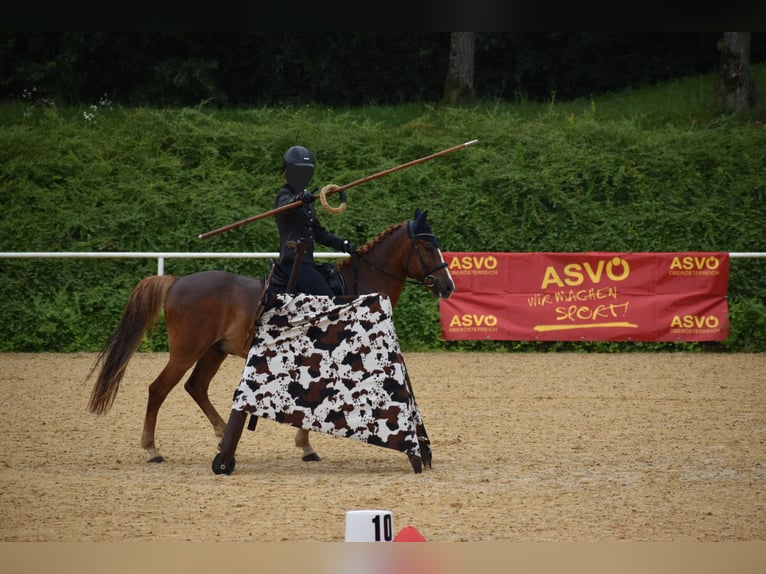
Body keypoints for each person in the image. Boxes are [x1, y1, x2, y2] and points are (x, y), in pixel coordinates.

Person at [271, 145, 354, 296]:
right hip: (293, 262)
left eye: (305, 172)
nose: (302, 176)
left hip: (307, 262)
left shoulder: (306, 201)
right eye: (298, 172)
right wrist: (299, 199)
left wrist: (343, 244)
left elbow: (319, 233)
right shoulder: (284, 195)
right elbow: (285, 207)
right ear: (288, 172)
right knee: (328, 298)